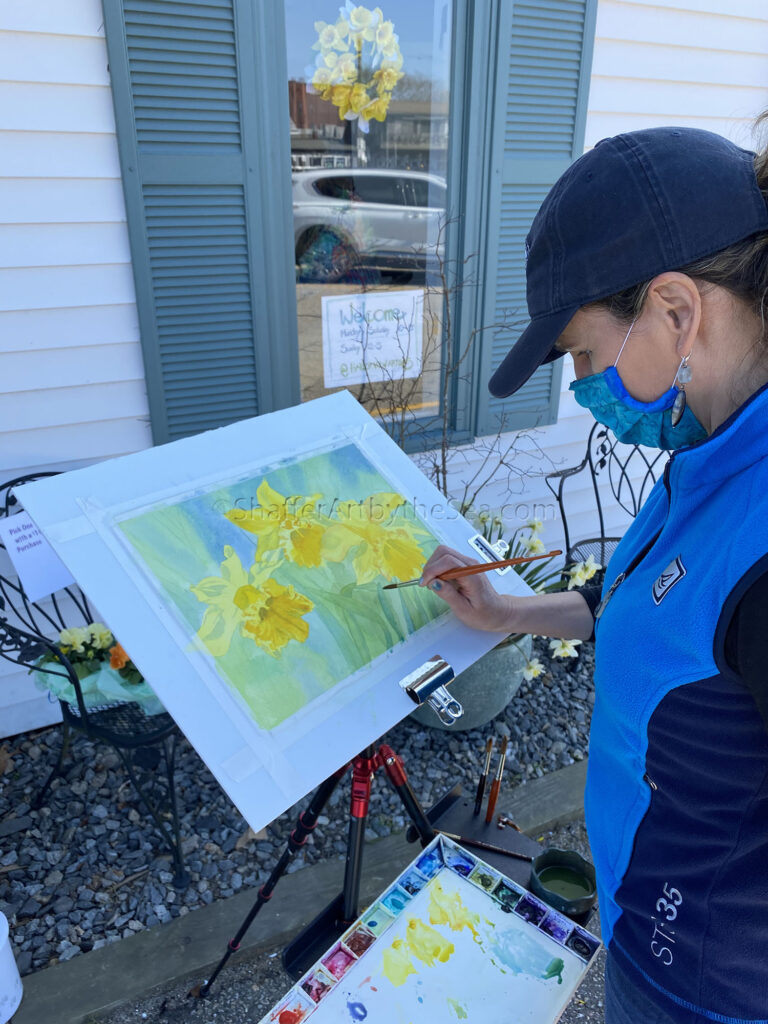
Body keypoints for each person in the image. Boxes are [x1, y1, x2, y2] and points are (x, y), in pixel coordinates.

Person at [420, 123, 768, 1024]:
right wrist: (504, 612)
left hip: (701, 980)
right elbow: (653, 607)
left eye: (581, 352)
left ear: (677, 311)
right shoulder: (721, 445)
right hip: (650, 916)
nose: (582, 386)